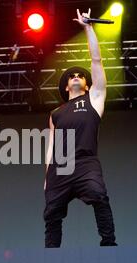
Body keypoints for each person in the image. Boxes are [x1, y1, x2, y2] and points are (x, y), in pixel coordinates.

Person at [43, 8, 117, 248]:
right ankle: (51, 254)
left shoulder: (94, 98)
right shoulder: (55, 114)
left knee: (99, 195)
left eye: (79, 75)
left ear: (86, 85)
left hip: (86, 162)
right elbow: (51, 147)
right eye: (71, 76)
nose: (75, 76)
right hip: (60, 166)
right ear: (66, 87)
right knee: (52, 212)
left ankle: (108, 243)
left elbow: (96, 61)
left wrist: (88, 28)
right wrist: (47, 176)